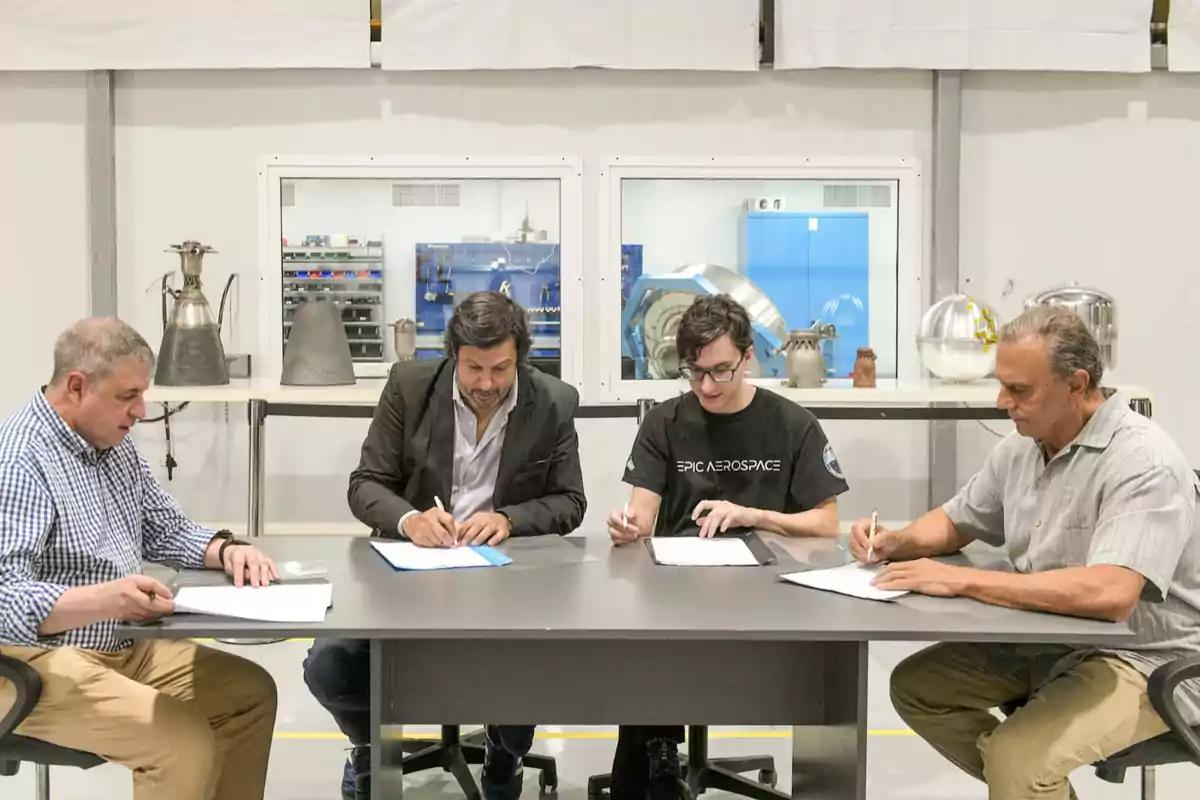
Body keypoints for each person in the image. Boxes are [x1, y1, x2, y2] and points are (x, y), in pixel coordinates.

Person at [849, 305, 1200, 800]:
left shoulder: (1143, 461)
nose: (1001, 401)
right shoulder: (1022, 447)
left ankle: (1023, 780)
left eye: (1019, 390)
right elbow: (958, 519)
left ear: (1077, 384)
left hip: (1147, 658)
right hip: (1058, 641)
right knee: (920, 688)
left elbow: (1112, 594)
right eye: (1001, 384)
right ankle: (1030, 788)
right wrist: (898, 541)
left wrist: (964, 581)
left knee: (1018, 759)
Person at [303, 291, 586, 800]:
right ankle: (370, 746)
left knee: (533, 657)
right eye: (473, 368)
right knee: (330, 664)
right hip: (409, 572)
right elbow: (365, 484)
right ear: (453, 354)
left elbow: (570, 501)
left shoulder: (553, 402)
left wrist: (508, 517)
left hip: (506, 578)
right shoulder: (410, 388)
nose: (486, 384)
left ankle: (506, 751)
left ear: (518, 356)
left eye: (501, 369)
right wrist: (410, 519)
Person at [0, 317, 280, 800]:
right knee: (179, 742)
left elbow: (164, 528)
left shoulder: (112, 444)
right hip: (39, 658)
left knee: (249, 695)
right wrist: (104, 600)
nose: (140, 410)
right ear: (76, 386)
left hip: (122, 644)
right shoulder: (22, 459)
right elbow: (6, 602)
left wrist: (226, 550)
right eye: (127, 396)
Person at [605, 293, 849, 800]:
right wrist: (628, 526)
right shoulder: (665, 423)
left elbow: (827, 524)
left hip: (769, 598)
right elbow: (643, 515)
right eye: (695, 373)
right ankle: (657, 758)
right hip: (676, 598)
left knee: (823, 682)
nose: (708, 386)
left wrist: (754, 516)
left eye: (721, 371)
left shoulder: (790, 424)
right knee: (640, 704)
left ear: (747, 357)